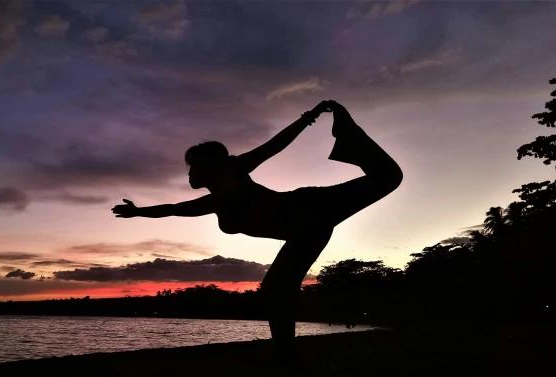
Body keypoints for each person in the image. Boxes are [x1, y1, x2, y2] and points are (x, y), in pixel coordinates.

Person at [112, 100, 403, 362]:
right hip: (308, 231)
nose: (188, 173)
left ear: (211, 167)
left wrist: (309, 117)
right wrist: (138, 211)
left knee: (388, 177)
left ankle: (346, 130)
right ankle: (285, 354)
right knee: (276, 288)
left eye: (193, 167)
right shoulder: (214, 203)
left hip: (309, 207)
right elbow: (173, 208)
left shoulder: (236, 171)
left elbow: (276, 144)